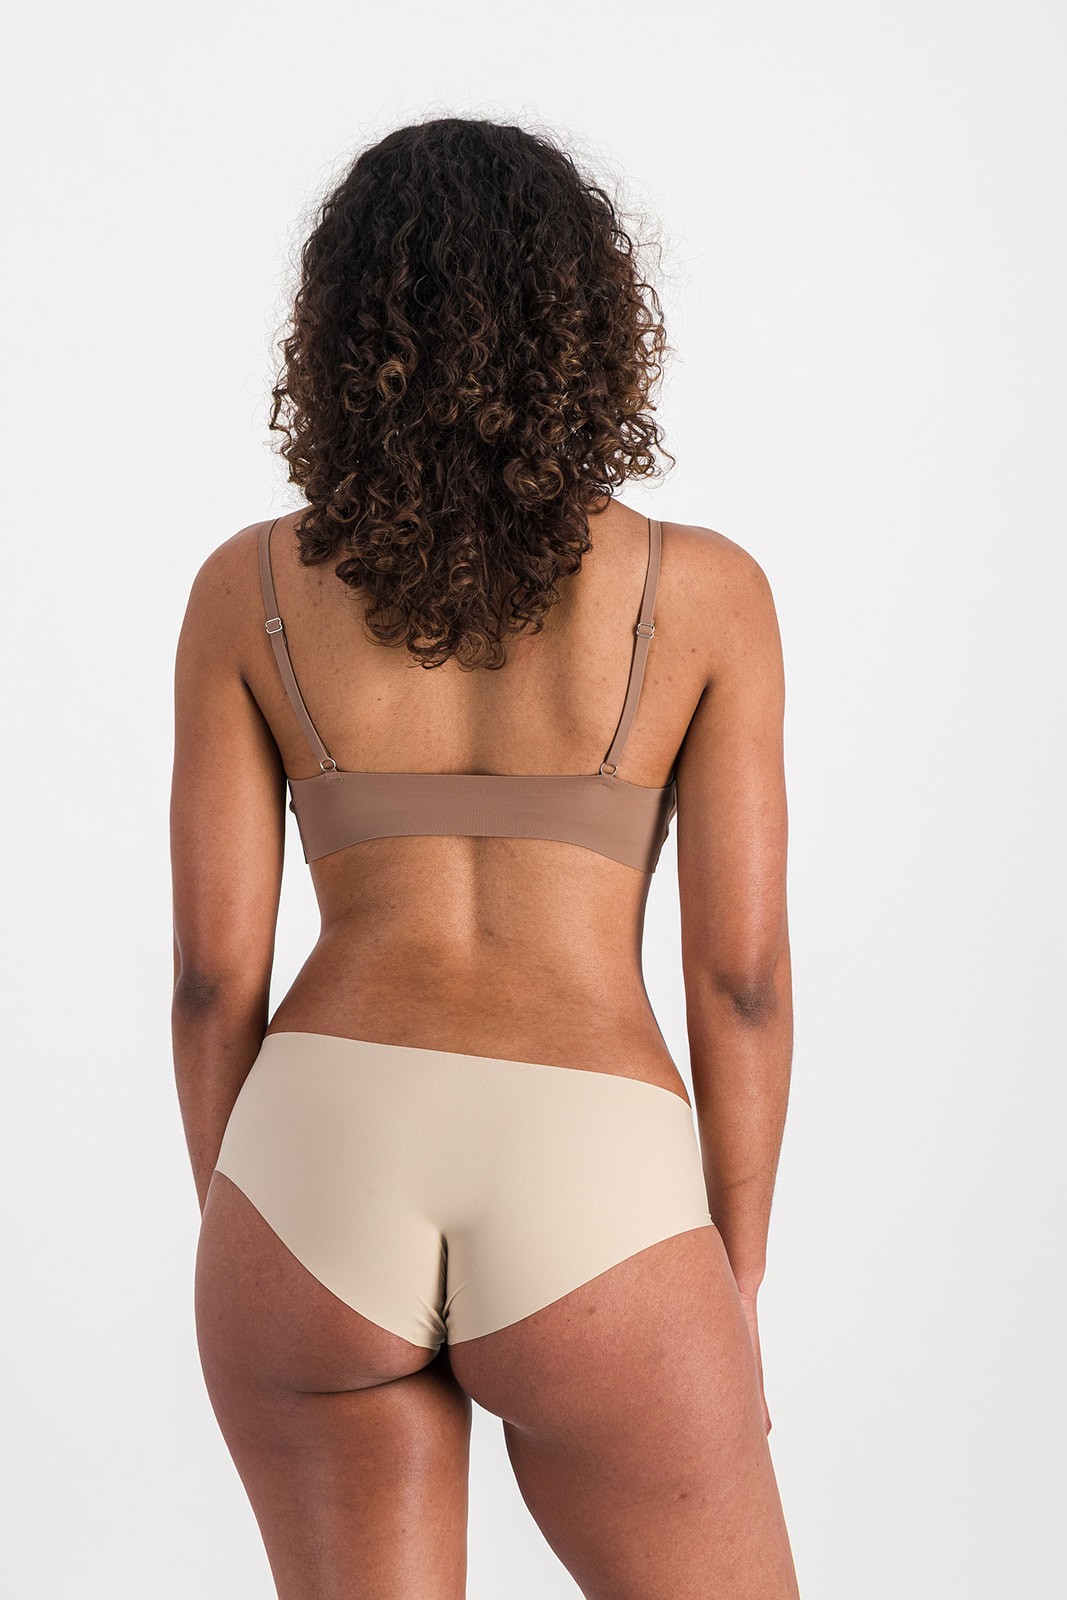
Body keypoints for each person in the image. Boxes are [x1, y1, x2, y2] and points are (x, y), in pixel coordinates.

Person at [171, 115, 800, 1599]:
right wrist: (732, 1276)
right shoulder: (704, 594)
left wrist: (250, 1216)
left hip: (314, 1154)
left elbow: (211, 982)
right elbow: (742, 981)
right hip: (592, 1164)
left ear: (341, 334)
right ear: (588, 324)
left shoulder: (246, 589)